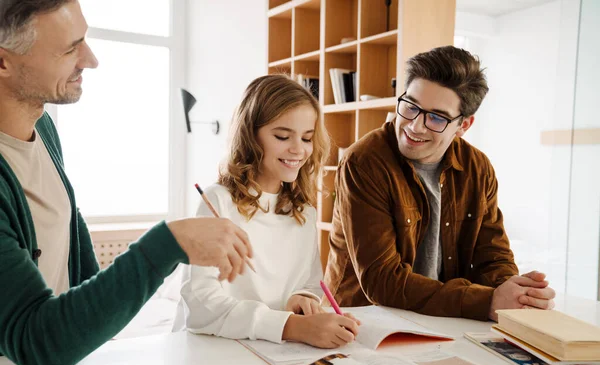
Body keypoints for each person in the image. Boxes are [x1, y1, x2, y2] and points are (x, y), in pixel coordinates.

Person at [0, 0, 252, 365]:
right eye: (70, 49)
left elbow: (68, 226)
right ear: (3, 62)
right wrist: (168, 245)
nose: (91, 60)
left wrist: (97, 330)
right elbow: (39, 344)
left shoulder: (45, 131)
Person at [324, 46, 556, 321]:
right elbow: (381, 281)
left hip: (442, 319)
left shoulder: (477, 168)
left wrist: (516, 294)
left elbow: (492, 256)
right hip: (364, 320)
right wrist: (486, 301)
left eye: (436, 117)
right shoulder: (364, 162)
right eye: (410, 107)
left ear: (463, 125)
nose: (415, 126)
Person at [174, 75, 360, 348]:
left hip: (273, 351)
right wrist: (291, 327)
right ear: (251, 137)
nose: (298, 149)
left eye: (307, 138)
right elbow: (202, 304)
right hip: (214, 349)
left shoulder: (303, 211)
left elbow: (309, 282)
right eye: (282, 136)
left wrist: (302, 299)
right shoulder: (218, 202)